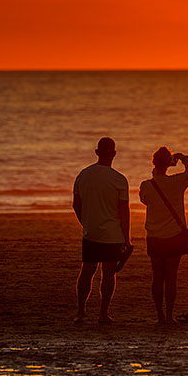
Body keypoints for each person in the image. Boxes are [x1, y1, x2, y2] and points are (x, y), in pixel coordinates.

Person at [72, 137, 133, 324]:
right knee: (108, 273)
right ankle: (103, 313)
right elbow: (124, 211)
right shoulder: (119, 179)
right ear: (114, 153)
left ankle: (81, 312)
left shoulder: (83, 175)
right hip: (112, 233)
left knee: (87, 271)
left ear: (97, 152)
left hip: (91, 231)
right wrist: (126, 238)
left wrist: (86, 223)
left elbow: (76, 204)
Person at [139, 147, 188, 324]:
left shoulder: (147, 185)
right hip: (174, 236)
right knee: (171, 278)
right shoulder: (177, 182)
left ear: (154, 163)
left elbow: (144, 200)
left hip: (155, 236)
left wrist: (155, 174)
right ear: (169, 164)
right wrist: (182, 158)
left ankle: (160, 316)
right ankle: (170, 316)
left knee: (157, 277)